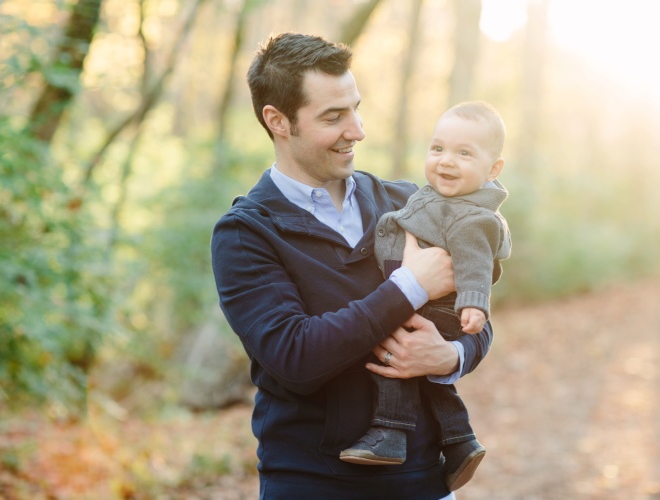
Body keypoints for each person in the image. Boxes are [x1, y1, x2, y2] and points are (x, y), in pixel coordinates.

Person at [210, 32, 493, 500]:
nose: (357, 130)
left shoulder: (409, 203)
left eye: (355, 108)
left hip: (424, 482)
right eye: (333, 117)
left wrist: (451, 358)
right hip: (312, 486)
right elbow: (296, 357)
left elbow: (474, 317)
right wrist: (409, 286)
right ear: (278, 121)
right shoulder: (246, 234)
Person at [340, 101, 511, 492]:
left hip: (443, 307)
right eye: (438, 149)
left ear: (493, 169)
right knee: (418, 367)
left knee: (395, 350)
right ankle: (459, 440)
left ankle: (390, 432)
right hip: (429, 300)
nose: (446, 161)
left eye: (464, 153)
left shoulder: (473, 216)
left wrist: (473, 302)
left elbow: (474, 262)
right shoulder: (434, 197)